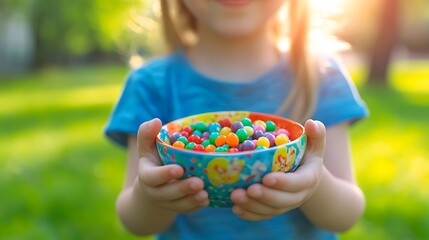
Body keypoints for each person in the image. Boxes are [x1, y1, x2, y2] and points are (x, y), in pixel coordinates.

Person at [104, 0, 369, 239]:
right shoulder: (150, 85)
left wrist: (312, 181)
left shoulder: (321, 76)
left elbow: (346, 215)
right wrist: (152, 192)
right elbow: (136, 223)